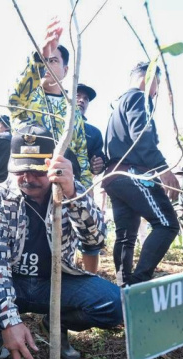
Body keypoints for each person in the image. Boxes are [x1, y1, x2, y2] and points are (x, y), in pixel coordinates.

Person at [0, 126, 123, 359]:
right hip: (13, 281)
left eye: (37, 171)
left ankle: (56, 323)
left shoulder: (70, 191)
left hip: (56, 284)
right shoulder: (0, 195)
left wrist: (73, 195)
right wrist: (7, 322)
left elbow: (96, 240)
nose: (27, 178)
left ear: (52, 168)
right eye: (20, 170)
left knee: (114, 304)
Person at [103, 61, 180, 285]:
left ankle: (123, 286)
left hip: (114, 177)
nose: (156, 92)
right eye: (157, 84)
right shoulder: (138, 98)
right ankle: (139, 283)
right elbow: (142, 136)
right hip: (133, 174)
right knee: (167, 224)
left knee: (126, 236)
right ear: (148, 79)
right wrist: (163, 170)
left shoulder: (118, 105)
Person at [8, 17, 92, 190]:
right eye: (45, 61)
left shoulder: (73, 111)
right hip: (26, 184)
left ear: (66, 70)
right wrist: (40, 56)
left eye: (53, 61)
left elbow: (81, 152)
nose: (46, 65)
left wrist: (85, 188)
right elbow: (13, 99)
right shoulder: (27, 98)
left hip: (63, 188)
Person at [75, 83, 105, 273]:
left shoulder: (94, 132)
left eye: (86, 99)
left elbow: (99, 158)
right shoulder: (53, 122)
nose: (82, 100)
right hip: (52, 188)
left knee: (89, 234)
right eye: (78, 96)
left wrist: (99, 163)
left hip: (83, 191)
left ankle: (91, 278)